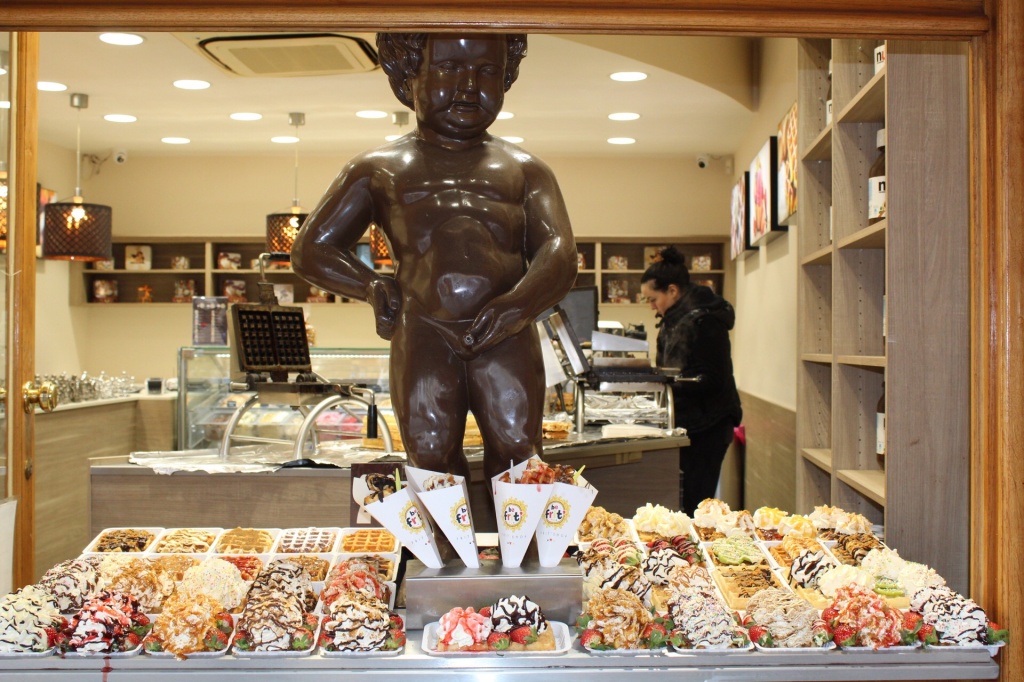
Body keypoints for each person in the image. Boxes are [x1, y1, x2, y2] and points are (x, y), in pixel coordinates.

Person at [292, 33, 577, 488]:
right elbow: (311, 249)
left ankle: (527, 560)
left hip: (506, 329)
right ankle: (444, 560)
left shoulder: (525, 170)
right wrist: (369, 284)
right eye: (448, 67)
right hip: (423, 329)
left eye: (487, 71)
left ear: (506, 78)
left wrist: (519, 304)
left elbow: (560, 252)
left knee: (520, 456)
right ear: (407, 76)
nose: (468, 85)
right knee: (429, 456)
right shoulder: (379, 168)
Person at [640, 247, 742, 516]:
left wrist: (666, 382)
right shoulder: (673, 320)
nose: (651, 306)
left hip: (709, 425)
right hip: (690, 423)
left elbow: (712, 379)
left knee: (697, 505)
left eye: (653, 299)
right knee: (683, 502)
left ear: (672, 290)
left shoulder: (705, 322)